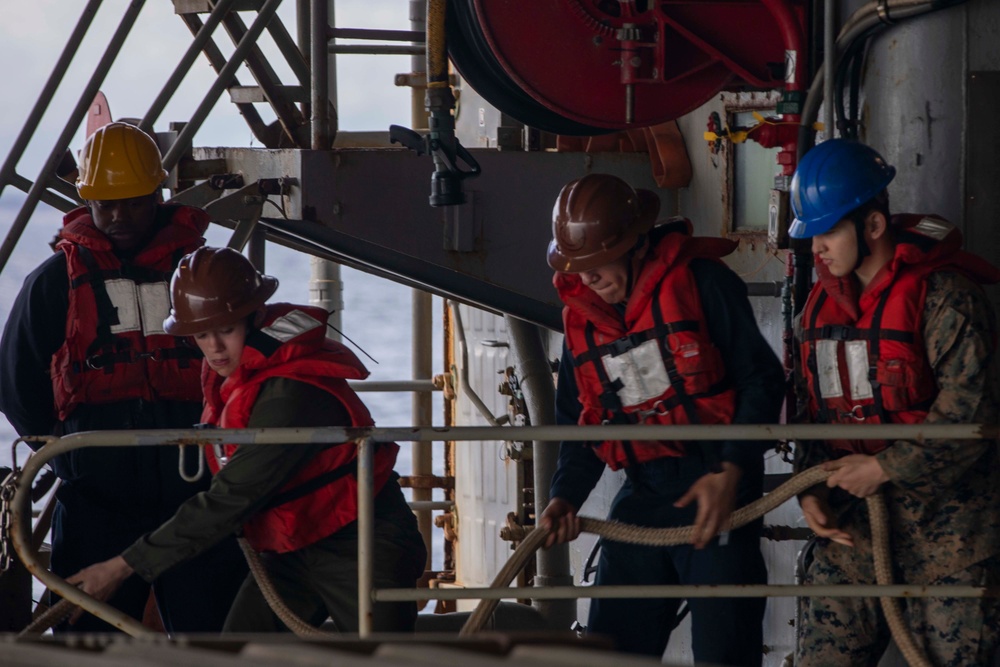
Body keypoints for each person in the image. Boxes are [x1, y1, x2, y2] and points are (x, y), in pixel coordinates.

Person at [66, 246, 427, 633]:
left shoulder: (289, 394)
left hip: (361, 540)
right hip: (295, 543)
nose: (215, 347)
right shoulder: (241, 377)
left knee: (382, 655)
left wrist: (121, 567)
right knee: (237, 650)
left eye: (226, 330)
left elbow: (233, 497)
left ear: (255, 319)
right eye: (201, 334)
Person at [0, 122, 246, 633]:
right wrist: (67, 454)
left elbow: (252, 360)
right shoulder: (54, 282)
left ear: (157, 196)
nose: (119, 216)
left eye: (133, 203)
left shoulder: (202, 274)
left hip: (196, 488)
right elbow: (16, 380)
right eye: (106, 205)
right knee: (88, 634)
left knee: (214, 631)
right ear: (86, 202)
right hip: (97, 494)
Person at [538, 173, 785, 664]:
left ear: (635, 245)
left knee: (724, 652)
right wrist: (564, 497)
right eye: (578, 268)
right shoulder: (583, 321)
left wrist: (732, 468)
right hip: (643, 493)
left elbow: (761, 380)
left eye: (596, 264)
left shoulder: (703, 282)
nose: (587, 279)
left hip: (717, 488)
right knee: (609, 652)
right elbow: (579, 424)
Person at [789, 139, 1000, 666]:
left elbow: (971, 413)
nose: (817, 249)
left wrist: (885, 467)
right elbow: (809, 410)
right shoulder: (815, 310)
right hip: (853, 531)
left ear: (874, 226)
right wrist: (809, 489)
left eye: (828, 232)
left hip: (950, 537)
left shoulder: (947, 298)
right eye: (811, 235)